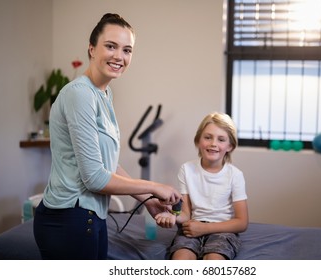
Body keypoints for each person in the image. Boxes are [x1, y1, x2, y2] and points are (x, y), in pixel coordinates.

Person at [33, 13, 181, 260]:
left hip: (91, 218)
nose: (119, 56)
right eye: (110, 46)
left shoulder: (104, 94)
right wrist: (156, 186)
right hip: (68, 219)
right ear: (91, 49)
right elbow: (94, 178)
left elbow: (107, 165)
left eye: (127, 50)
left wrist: (148, 200)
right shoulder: (79, 95)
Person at [156, 112, 249, 260]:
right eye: (207, 137)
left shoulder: (235, 175)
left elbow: (242, 222)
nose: (213, 143)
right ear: (199, 140)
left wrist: (205, 228)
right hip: (191, 227)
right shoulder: (186, 169)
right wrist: (173, 216)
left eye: (221, 139)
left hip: (222, 231)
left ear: (230, 146)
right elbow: (185, 214)